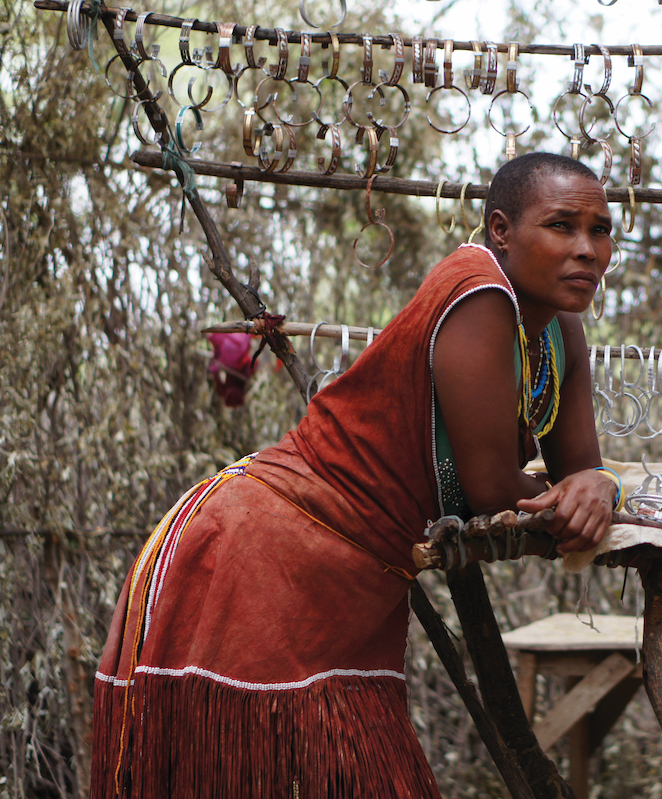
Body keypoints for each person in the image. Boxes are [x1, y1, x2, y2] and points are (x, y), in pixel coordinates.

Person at [90, 152, 617, 798]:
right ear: (500, 231)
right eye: (563, 225)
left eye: (601, 229)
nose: (588, 249)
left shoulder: (559, 328)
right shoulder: (479, 290)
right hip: (267, 553)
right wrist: (582, 491)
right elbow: (493, 490)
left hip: (358, 575)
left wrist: (600, 485)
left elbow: (579, 470)